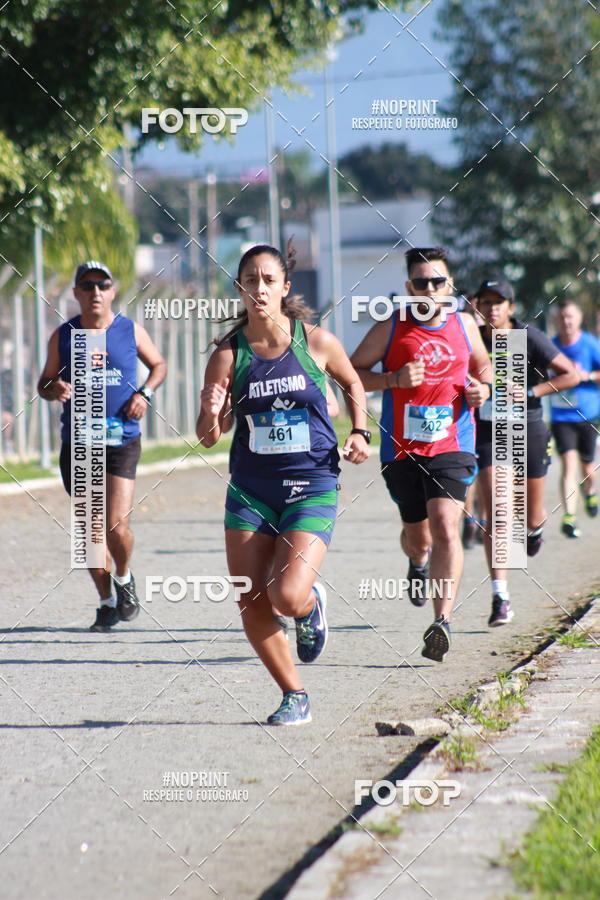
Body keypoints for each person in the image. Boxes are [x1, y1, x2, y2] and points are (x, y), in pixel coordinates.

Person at [196, 244, 369, 725]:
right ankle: (295, 694)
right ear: (240, 289)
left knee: (287, 596)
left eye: (268, 280)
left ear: (284, 288)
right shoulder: (229, 354)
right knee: (251, 598)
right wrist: (212, 410)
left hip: (311, 482)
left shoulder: (315, 342)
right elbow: (209, 438)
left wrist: (359, 431)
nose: (259, 289)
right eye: (250, 280)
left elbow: (353, 383)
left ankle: (310, 606)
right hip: (251, 490)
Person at [350, 246, 491, 663]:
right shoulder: (391, 327)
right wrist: (392, 379)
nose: (431, 290)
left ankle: (441, 622)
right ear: (409, 287)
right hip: (402, 450)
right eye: (422, 283)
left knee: (448, 525)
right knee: (419, 536)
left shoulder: (465, 325)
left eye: (439, 282)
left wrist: (483, 389)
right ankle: (418, 560)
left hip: (454, 444)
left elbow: (484, 368)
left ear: (449, 286)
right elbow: (349, 373)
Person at [38, 261, 167, 631]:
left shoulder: (130, 331)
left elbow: (159, 364)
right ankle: (107, 602)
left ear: (112, 292)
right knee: (91, 535)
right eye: (87, 286)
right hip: (79, 444)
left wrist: (145, 392)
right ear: (76, 294)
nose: (95, 292)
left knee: (115, 525)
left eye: (102, 285)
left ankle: (124, 579)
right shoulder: (63, 336)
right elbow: (43, 383)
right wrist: (54, 388)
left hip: (122, 439)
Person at [473, 277, 578, 626]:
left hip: (527, 429)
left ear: (511, 308)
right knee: (497, 512)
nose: (491, 309)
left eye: (498, 302)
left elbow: (570, 375)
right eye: (485, 302)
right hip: (488, 431)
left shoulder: (527, 337)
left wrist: (531, 392)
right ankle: (500, 596)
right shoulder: (471, 338)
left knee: (532, 516)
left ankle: (534, 530)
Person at [550, 299, 600, 537]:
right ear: (556, 321)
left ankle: (590, 494)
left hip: (588, 415)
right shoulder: (550, 347)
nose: (566, 322)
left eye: (570, 317)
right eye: (561, 317)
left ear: (578, 318)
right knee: (568, 464)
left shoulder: (590, 344)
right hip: (561, 416)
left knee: (587, 466)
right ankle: (569, 516)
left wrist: (587, 375)